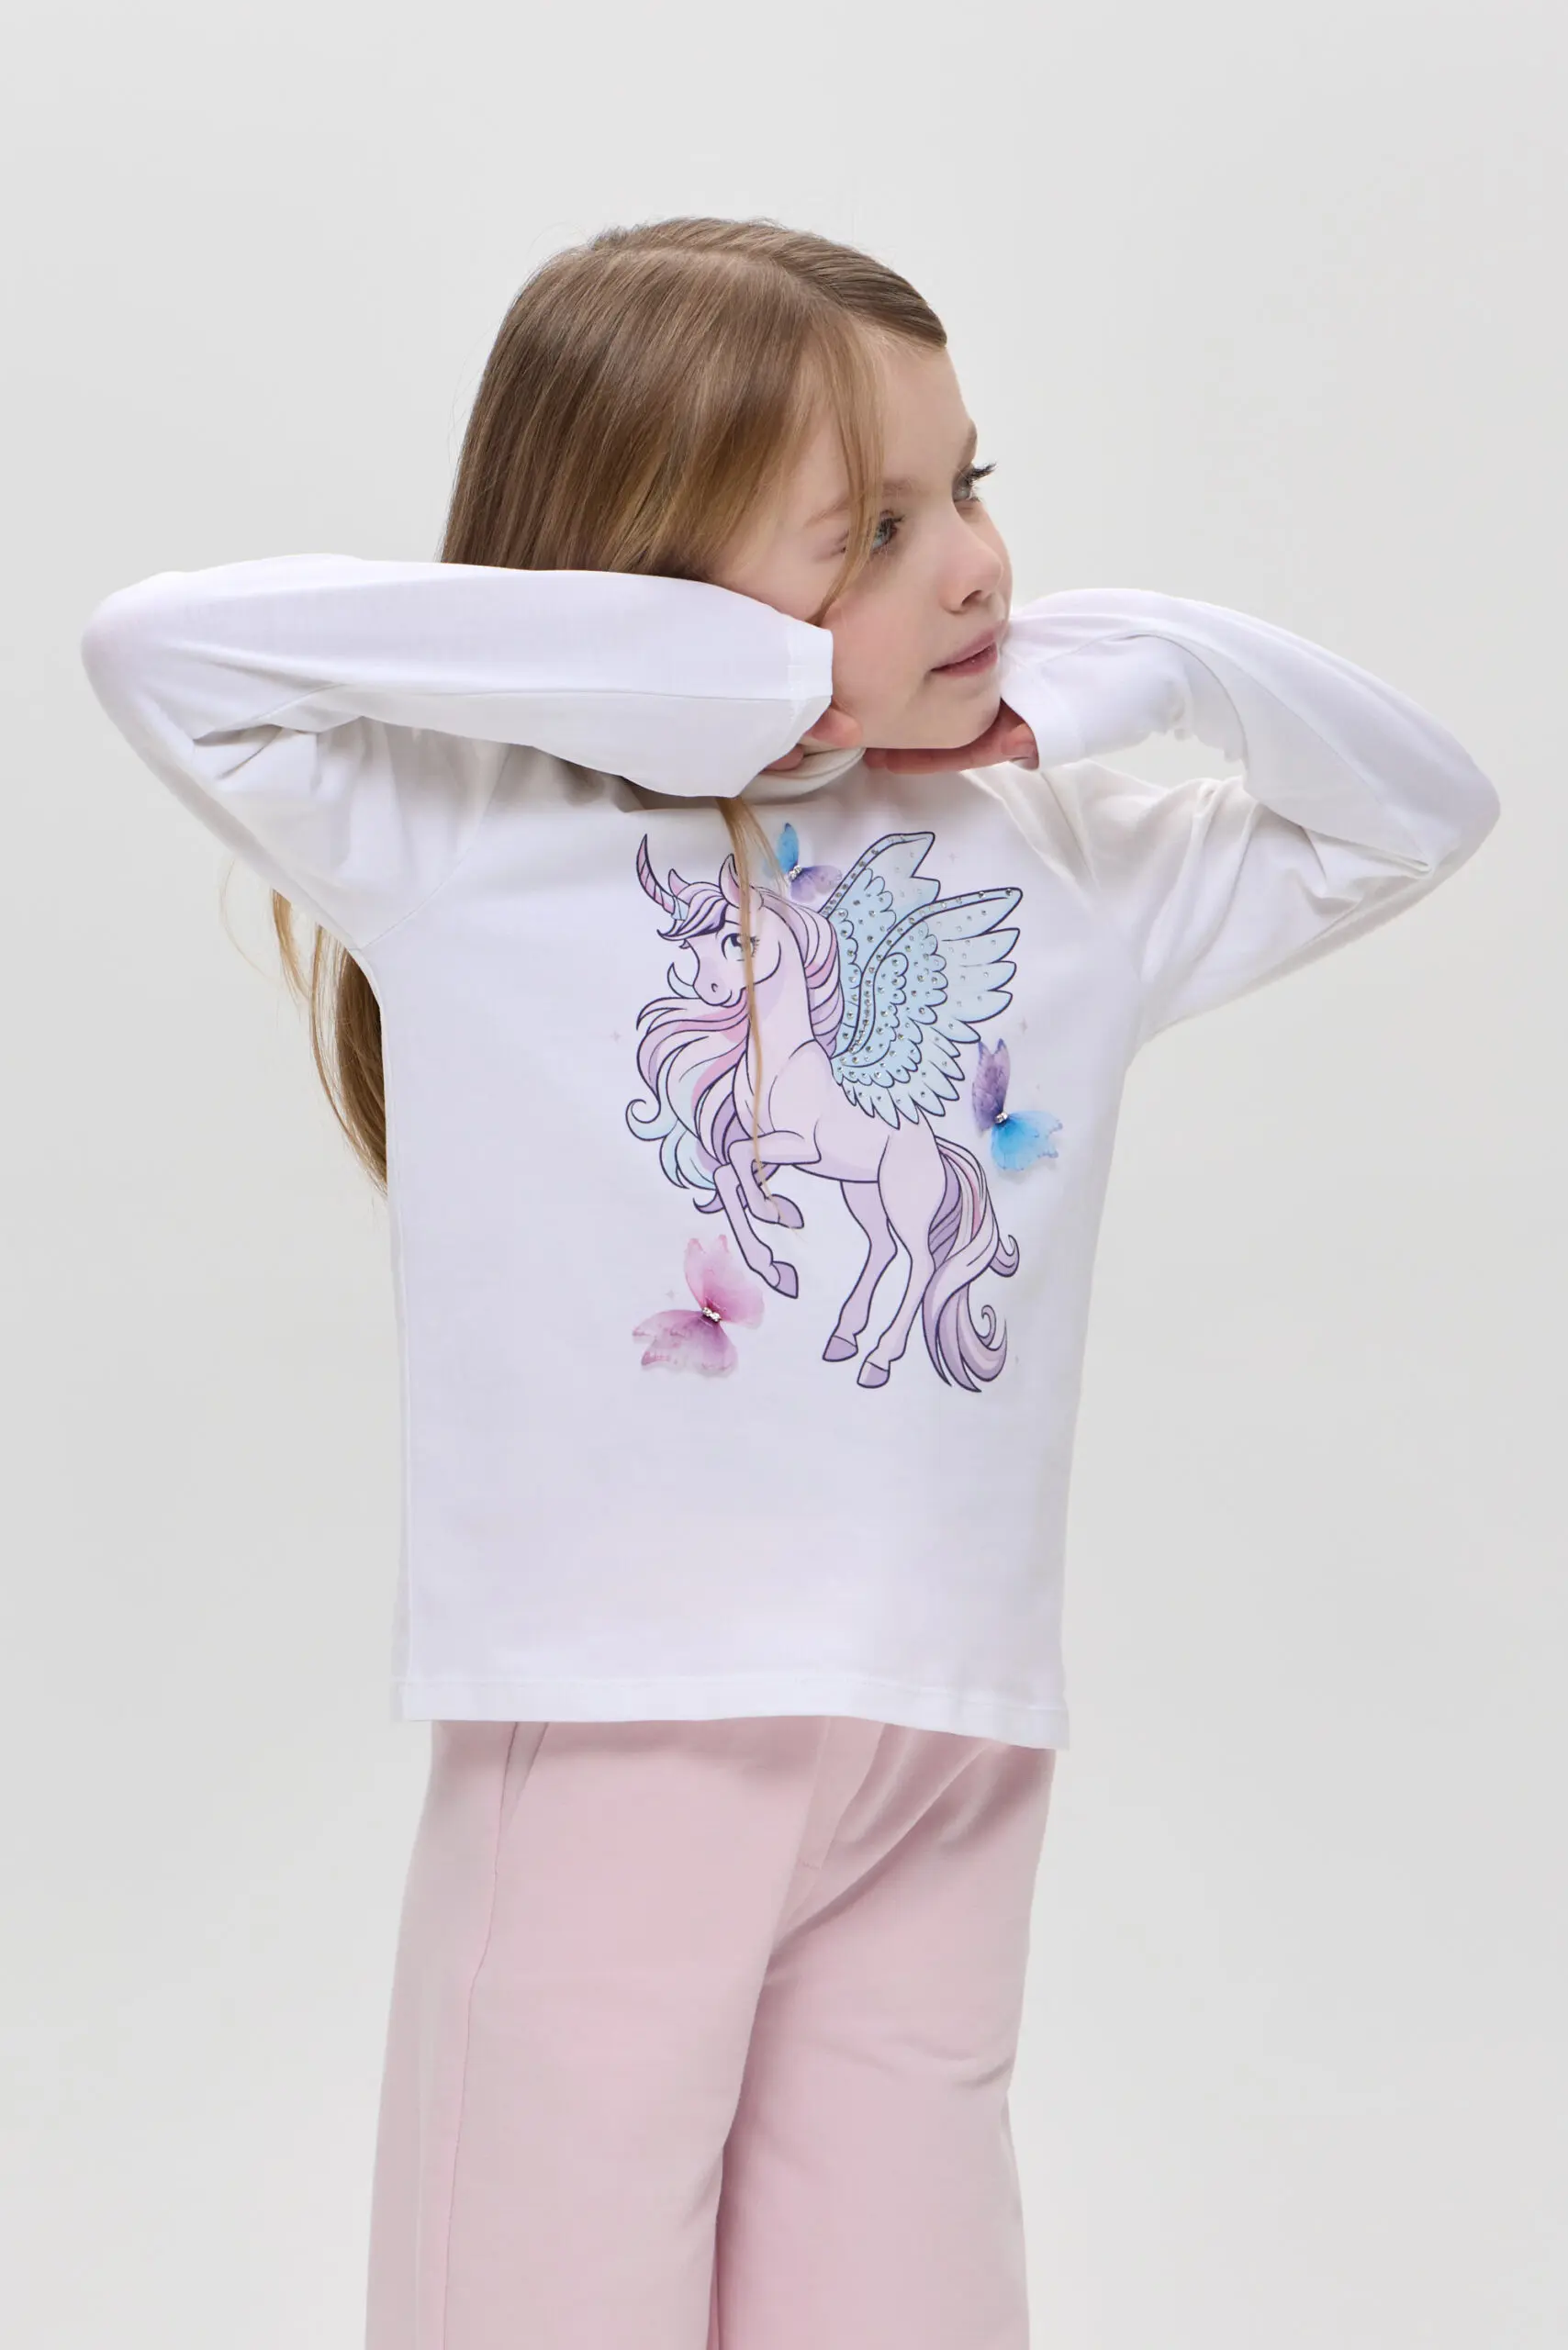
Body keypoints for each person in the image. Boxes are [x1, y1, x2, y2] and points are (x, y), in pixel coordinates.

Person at [79, 216, 1500, 2350]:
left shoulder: (1056, 858)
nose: (974, 569)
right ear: (655, 591)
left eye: (968, 486)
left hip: (943, 1736)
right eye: (875, 530)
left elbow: (1411, 810)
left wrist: (1138, 671)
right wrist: (684, 683)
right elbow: (156, 647)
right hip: (620, 1721)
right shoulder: (466, 836)